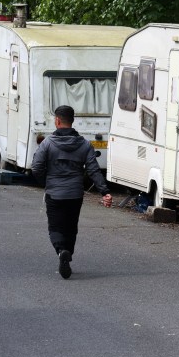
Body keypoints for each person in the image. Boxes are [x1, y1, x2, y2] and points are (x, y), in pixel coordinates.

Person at [31, 105, 113, 279]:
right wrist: (104, 191)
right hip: (75, 193)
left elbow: (36, 167)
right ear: (72, 121)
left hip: (54, 193)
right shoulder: (84, 144)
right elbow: (93, 170)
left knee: (55, 226)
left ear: (57, 121)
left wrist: (46, 182)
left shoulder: (47, 143)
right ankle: (68, 251)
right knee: (71, 226)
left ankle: (61, 251)